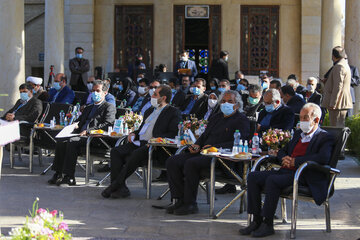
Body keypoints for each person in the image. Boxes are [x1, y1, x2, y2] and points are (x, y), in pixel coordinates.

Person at [239, 103, 334, 237]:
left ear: (316, 120)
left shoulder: (324, 137)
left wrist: (296, 161)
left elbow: (323, 157)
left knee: (273, 180)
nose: (302, 122)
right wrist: (285, 158)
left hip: (305, 175)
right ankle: (256, 220)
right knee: (253, 176)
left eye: (305, 118)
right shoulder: (298, 134)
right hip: (287, 171)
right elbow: (283, 150)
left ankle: (268, 223)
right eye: (300, 118)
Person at [165, 90, 250, 215]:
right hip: (204, 153)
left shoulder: (241, 119)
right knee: (173, 161)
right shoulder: (216, 117)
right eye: (224, 101)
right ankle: (178, 199)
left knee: (191, 163)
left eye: (230, 101)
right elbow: (205, 135)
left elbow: (241, 141)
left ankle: (190, 204)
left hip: (223, 158)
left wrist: (215, 147)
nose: (226, 104)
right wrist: (197, 144)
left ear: (237, 104)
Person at [101, 85, 181, 199]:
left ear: (163, 98)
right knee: (115, 151)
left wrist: (156, 139)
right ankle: (120, 188)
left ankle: (114, 185)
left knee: (135, 154)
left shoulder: (173, 112)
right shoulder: (150, 111)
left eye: (155, 94)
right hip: (140, 142)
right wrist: (134, 133)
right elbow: (143, 128)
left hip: (156, 147)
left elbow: (173, 133)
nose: (152, 96)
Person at [48, 80, 116, 186]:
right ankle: (58, 173)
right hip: (80, 135)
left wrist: (88, 131)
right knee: (61, 140)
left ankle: (69, 177)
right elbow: (80, 121)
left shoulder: (109, 107)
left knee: (72, 141)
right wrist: (75, 125)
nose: (95, 93)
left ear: (105, 92)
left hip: (95, 138)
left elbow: (108, 124)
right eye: (93, 91)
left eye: (97, 91)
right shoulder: (89, 107)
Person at [322, 46, 353, 127]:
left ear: (333, 56)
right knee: (338, 126)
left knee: (336, 127)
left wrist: (333, 103)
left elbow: (338, 86)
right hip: (340, 101)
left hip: (338, 103)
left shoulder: (339, 66)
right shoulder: (344, 64)